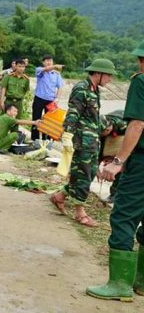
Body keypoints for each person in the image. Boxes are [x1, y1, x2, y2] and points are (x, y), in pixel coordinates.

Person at [86, 43, 144, 302]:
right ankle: (141, 282)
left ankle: (119, 284)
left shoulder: (141, 82)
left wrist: (118, 161)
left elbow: (138, 123)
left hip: (142, 163)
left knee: (123, 216)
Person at [48, 59, 116, 227]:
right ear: (98, 73)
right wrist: (67, 135)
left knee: (88, 172)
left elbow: (91, 117)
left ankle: (60, 196)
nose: (110, 79)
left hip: (92, 140)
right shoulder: (82, 88)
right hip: (82, 140)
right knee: (84, 175)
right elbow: (73, 113)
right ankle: (80, 213)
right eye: (108, 75)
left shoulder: (94, 89)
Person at [31, 55, 64, 142]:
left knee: (49, 120)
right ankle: (35, 138)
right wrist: (55, 66)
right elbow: (45, 70)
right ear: (43, 62)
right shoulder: (40, 70)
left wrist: (57, 99)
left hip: (51, 100)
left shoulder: (56, 74)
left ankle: (47, 138)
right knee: (36, 118)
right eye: (47, 61)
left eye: (50, 61)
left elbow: (60, 87)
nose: (49, 62)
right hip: (39, 98)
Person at [99, 111, 128, 203]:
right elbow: (99, 147)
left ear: (108, 129)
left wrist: (117, 160)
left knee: (120, 166)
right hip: (116, 140)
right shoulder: (99, 127)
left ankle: (115, 194)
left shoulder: (123, 126)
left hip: (129, 142)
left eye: (105, 131)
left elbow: (132, 140)